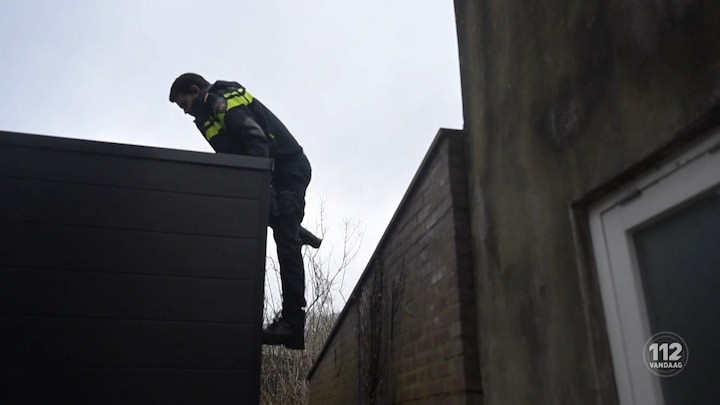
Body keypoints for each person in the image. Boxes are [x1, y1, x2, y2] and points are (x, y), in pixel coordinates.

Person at [169, 73, 320, 350]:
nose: (185, 110)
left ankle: (293, 324)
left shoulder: (220, 100)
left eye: (184, 103)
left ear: (195, 89)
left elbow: (255, 138)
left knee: (286, 244)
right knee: (255, 215)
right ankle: (289, 221)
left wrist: (258, 185)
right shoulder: (205, 119)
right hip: (269, 173)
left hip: (288, 169)